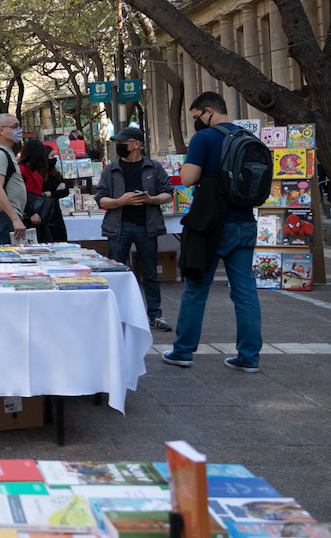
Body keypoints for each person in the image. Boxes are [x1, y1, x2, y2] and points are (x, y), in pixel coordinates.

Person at [163, 92, 262, 372]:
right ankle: (249, 357)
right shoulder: (248, 137)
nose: (195, 122)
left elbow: (187, 179)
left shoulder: (204, 138)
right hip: (244, 221)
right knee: (245, 291)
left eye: (196, 117)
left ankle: (183, 351)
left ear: (208, 111)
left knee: (196, 288)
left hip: (209, 224)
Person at [94, 127, 174, 331]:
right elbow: (100, 199)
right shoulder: (111, 169)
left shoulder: (153, 167)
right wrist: (120, 201)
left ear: (138, 144)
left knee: (150, 272)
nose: (120, 146)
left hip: (147, 226)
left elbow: (168, 193)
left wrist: (151, 199)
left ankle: (155, 315)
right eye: (119, 143)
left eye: (124, 142)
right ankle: (113, 314)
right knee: (115, 272)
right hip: (119, 227)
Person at [0, 113, 29, 245]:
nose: (19, 130)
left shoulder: (7, 152)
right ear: (1, 131)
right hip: (4, 217)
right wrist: (15, 218)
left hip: (8, 217)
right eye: (15, 127)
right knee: (6, 256)